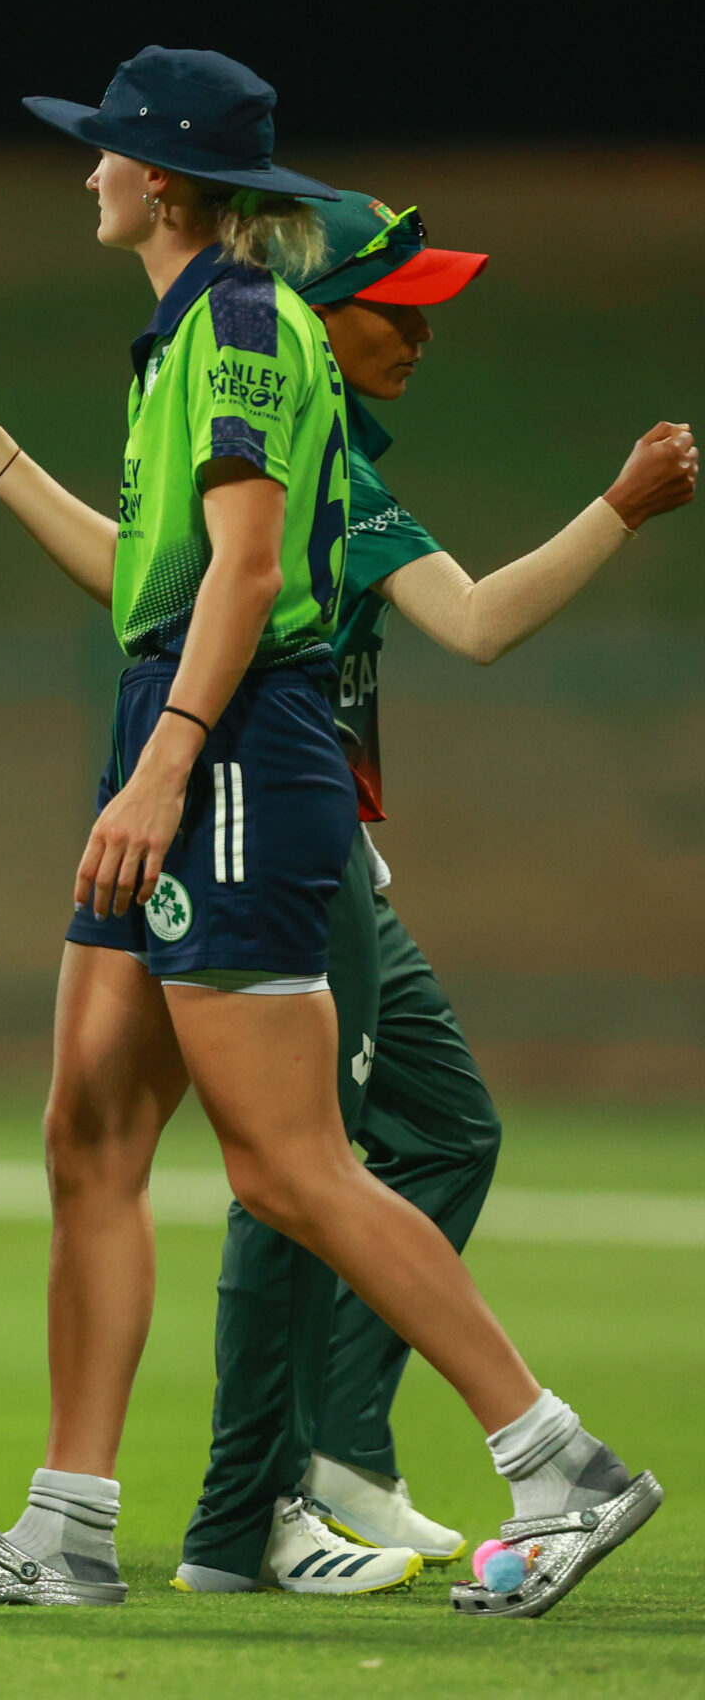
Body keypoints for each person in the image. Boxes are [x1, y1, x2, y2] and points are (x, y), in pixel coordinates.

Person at [0, 49, 660, 1616]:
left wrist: (167, 764)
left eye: (103, 153)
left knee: (292, 1165)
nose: (86, 172)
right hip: (179, 730)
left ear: (160, 180)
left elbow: (240, 580)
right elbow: (151, 576)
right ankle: (70, 1526)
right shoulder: (183, 338)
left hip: (233, 751)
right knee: (88, 1137)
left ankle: (559, 1462)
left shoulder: (237, 323)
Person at [168, 196, 696, 1594]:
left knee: (443, 1129)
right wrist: (617, 508)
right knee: (287, 1165)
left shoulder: (346, 463)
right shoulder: (273, 446)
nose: (422, 332)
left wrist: (617, 512)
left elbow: (467, 618)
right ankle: (250, 1514)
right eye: (397, 306)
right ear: (317, 315)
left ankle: (338, 1456)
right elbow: (459, 624)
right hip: (277, 832)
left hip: (334, 844)